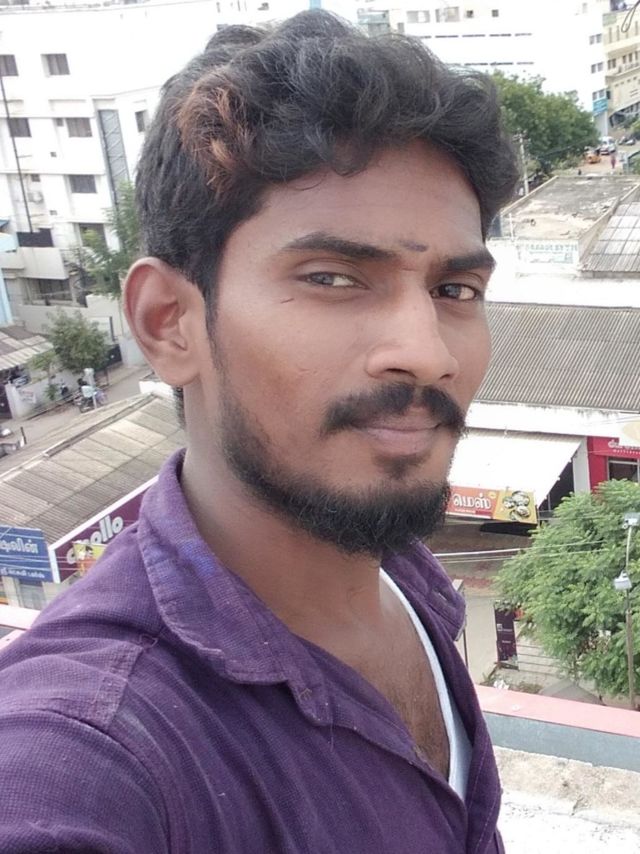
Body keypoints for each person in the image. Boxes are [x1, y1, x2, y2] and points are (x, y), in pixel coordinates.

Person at [0, 11, 518, 853]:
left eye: (454, 290)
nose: (428, 354)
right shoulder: (96, 747)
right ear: (168, 322)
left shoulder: (405, 579)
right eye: (333, 278)